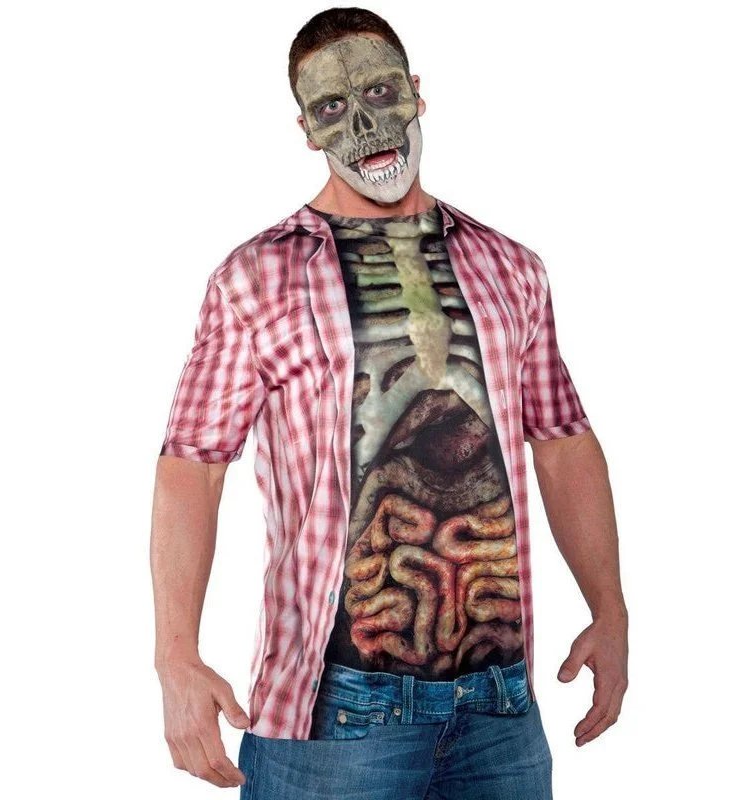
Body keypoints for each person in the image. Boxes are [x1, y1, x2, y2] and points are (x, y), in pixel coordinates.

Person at [150, 7, 628, 799]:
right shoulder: (255, 278)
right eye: (332, 107)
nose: (365, 124)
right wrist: (175, 655)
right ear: (306, 130)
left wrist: (609, 609)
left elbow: (563, 439)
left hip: (502, 709)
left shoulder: (511, 267)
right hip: (336, 720)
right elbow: (191, 467)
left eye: (379, 92)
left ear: (416, 92)